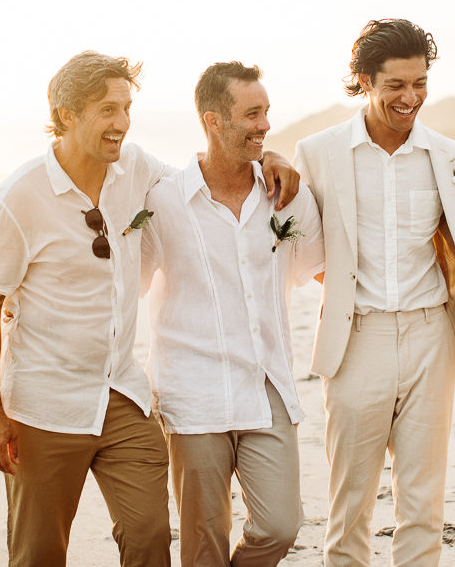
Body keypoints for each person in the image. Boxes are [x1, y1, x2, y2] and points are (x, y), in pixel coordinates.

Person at [0, 50, 299, 567]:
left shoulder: (136, 168)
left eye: (126, 108)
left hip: (121, 394)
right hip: (45, 405)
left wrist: (266, 156)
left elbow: (203, 179)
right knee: (39, 553)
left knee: (149, 536)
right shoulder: (16, 199)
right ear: (67, 115)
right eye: (107, 110)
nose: (122, 124)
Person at [294, 19, 455, 567]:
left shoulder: (452, 156)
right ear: (363, 80)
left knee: (424, 502)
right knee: (350, 503)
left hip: (432, 336)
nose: (411, 98)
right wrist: (345, 297)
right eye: (396, 86)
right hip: (358, 337)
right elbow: (300, 247)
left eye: (420, 83)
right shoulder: (318, 152)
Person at [139, 61, 325, 567]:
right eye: (251, 114)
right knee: (202, 540)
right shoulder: (164, 201)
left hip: (267, 384)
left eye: (266, 112)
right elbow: (124, 283)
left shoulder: (286, 196)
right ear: (212, 121)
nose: (265, 125)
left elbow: (324, 270)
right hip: (191, 390)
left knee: (280, 525)